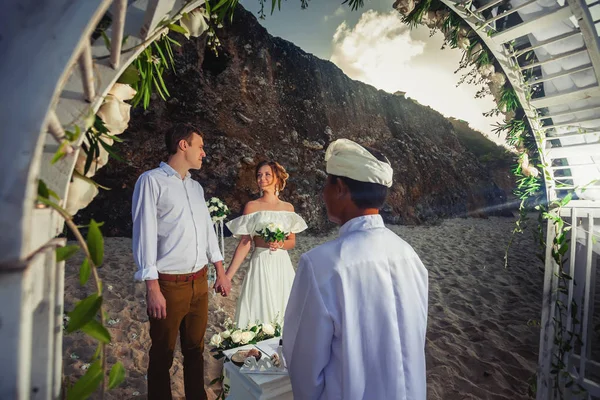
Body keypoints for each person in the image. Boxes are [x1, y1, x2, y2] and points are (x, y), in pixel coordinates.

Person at [283, 138, 429, 400]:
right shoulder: (410, 257)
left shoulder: (321, 265)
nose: (322, 194)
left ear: (340, 188)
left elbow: (304, 366)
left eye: (326, 184)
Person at [131, 123, 232, 400]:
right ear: (183, 145)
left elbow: (208, 232)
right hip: (169, 285)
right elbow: (145, 234)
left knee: (195, 351)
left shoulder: (197, 188)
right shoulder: (151, 181)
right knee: (162, 355)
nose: (204, 153)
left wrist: (220, 272)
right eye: (200, 146)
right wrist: (153, 288)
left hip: (200, 282)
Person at [225, 161, 307, 329]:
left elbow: (292, 242)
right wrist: (227, 276)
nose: (262, 178)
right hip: (260, 262)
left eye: (267, 174)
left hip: (281, 265)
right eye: (259, 175)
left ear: (277, 178)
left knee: (284, 310)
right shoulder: (252, 206)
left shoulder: (288, 208)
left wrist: (280, 243)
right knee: (258, 310)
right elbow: (245, 243)